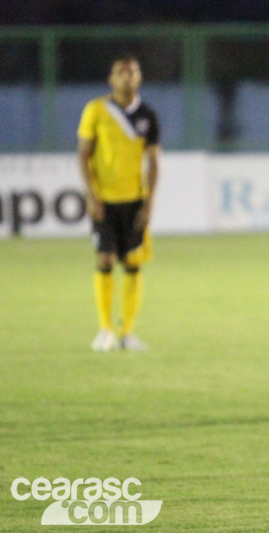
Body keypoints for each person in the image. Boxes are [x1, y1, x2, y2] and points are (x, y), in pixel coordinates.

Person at [78, 53, 160, 352]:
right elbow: (83, 155)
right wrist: (90, 193)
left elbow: (154, 163)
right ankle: (105, 329)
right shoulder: (96, 111)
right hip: (105, 201)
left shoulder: (148, 115)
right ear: (111, 79)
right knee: (104, 259)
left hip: (135, 201)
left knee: (133, 264)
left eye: (133, 71)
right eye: (121, 72)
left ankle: (128, 333)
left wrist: (150, 202)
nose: (127, 76)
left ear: (139, 78)